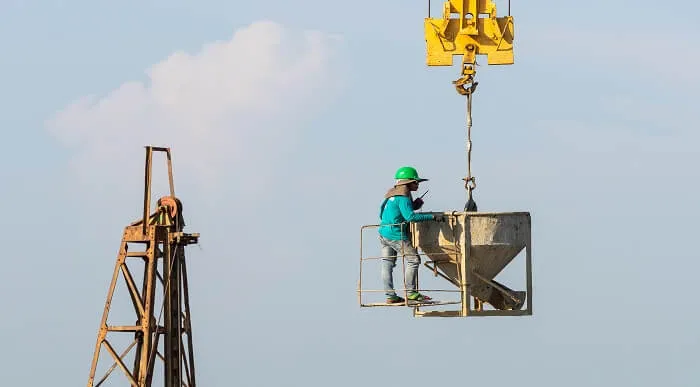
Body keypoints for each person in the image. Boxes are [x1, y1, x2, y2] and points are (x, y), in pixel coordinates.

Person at [378, 166, 444, 304]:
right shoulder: (403, 197)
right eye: (415, 182)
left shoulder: (392, 194)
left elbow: (383, 212)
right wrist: (432, 217)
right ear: (407, 183)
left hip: (384, 232)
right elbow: (410, 217)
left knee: (387, 263)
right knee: (414, 260)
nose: (418, 184)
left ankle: (390, 296)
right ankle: (411, 292)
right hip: (396, 235)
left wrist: (414, 205)